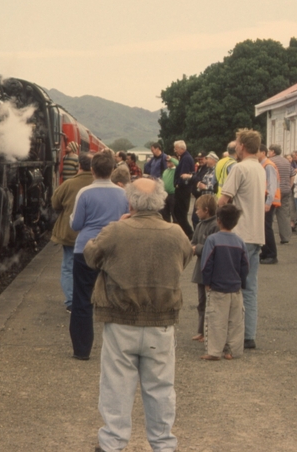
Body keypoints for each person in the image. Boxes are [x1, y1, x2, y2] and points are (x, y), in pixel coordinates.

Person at [84, 178, 193, 451]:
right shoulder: (176, 232)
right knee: (160, 388)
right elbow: (185, 258)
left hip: (121, 319)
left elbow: (91, 256)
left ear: (130, 202)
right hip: (161, 321)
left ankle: (112, 443)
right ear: (161, 201)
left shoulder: (116, 231)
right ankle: (164, 445)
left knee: (116, 387)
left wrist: (117, 226)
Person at [69, 150, 129, 360]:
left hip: (85, 248)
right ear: (113, 170)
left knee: (82, 299)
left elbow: (76, 224)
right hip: (114, 248)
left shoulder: (84, 193)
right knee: (116, 300)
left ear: (92, 170)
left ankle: (82, 350)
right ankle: (117, 350)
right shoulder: (123, 194)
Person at [217, 128, 265, 350]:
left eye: (237, 143)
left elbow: (224, 200)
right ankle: (248, 334)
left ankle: (230, 335)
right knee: (250, 287)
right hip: (256, 233)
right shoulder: (260, 168)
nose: (235, 146)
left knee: (229, 287)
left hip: (238, 234)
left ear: (242, 146)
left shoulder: (239, 168)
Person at [200, 204, 249, 361]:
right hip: (235, 287)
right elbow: (245, 265)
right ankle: (233, 351)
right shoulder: (240, 242)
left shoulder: (212, 240)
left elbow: (207, 263)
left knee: (216, 320)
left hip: (217, 287)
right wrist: (242, 283)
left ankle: (214, 351)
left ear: (218, 221)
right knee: (235, 322)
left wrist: (206, 282)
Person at [51, 152, 93, 312]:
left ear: (78, 166)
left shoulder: (69, 184)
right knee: (93, 266)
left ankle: (71, 302)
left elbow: (55, 204)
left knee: (68, 267)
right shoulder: (100, 183)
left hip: (71, 233)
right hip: (94, 235)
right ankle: (89, 298)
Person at [190, 194, 220, 343]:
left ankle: (210, 331)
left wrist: (197, 248)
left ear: (206, 210)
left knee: (211, 302)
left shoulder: (215, 225)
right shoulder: (200, 224)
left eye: (198, 209)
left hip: (210, 269)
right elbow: (193, 241)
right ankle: (201, 331)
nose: (195, 212)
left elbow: (213, 247)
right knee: (201, 302)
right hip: (200, 269)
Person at [258, 144, 281, 265]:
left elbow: (272, 185)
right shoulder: (263, 165)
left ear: (263, 152)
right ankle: (265, 252)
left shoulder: (268, 165)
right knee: (263, 227)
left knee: (266, 227)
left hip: (269, 199)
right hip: (266, 198)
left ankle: (272, 254)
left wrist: (268, 202)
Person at [268, 144, 296, 245]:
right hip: (285, 190)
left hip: (275, 190)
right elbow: (292, 175)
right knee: (284, 213)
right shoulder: (286, 161)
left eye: (269, 151)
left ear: (273, 152)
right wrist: (289, 186)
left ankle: (267, 235)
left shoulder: (270, 161)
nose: (268, 153)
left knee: (269, 213)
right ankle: (285, 237)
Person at [173, 140, 195, 238]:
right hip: (183, 190)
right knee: (178, 214)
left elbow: (184, 174)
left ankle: (189, 234)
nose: (175, 151)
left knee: (181, 214)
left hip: (183, 190)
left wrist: (178, 184)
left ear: (182, 149)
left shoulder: (186, 158)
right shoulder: (184, 157)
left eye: (176, 149)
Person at [160, 156, 178, 222]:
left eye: (170, 161)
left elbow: (178, 164)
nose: (168, 162)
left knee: (175, 214)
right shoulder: (165, 171)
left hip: (173, 195)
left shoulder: (176, 170)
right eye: (167, 161)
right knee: (164, 214)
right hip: (165, 195)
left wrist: (172, 159)